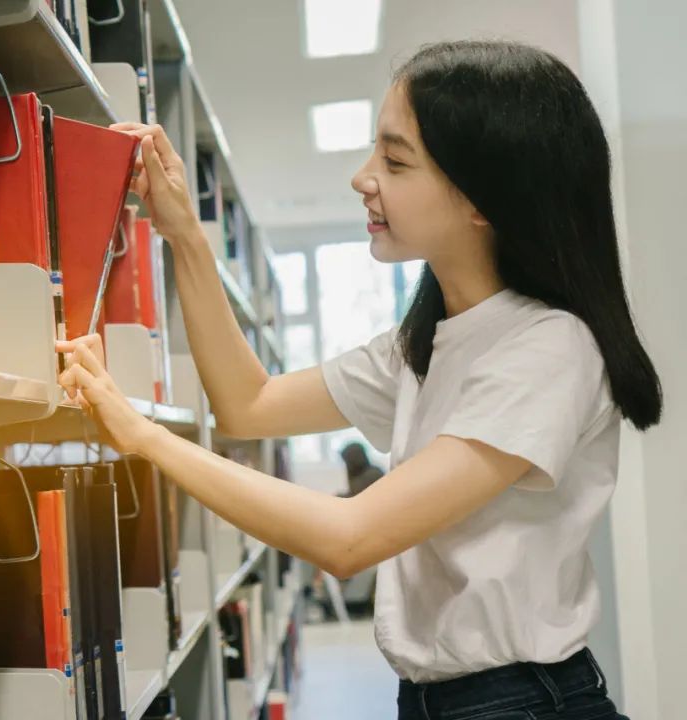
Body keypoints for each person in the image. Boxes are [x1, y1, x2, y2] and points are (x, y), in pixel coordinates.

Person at [58, 40, 657, 720]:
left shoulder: (549, 349)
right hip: (438, 701)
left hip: (523, 704)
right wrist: (186, 238)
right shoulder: (423, 343)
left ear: (483, 199)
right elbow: (247, 405)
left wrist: (144, 438)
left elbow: (350, 540)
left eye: (395, 160)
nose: (362, 177)